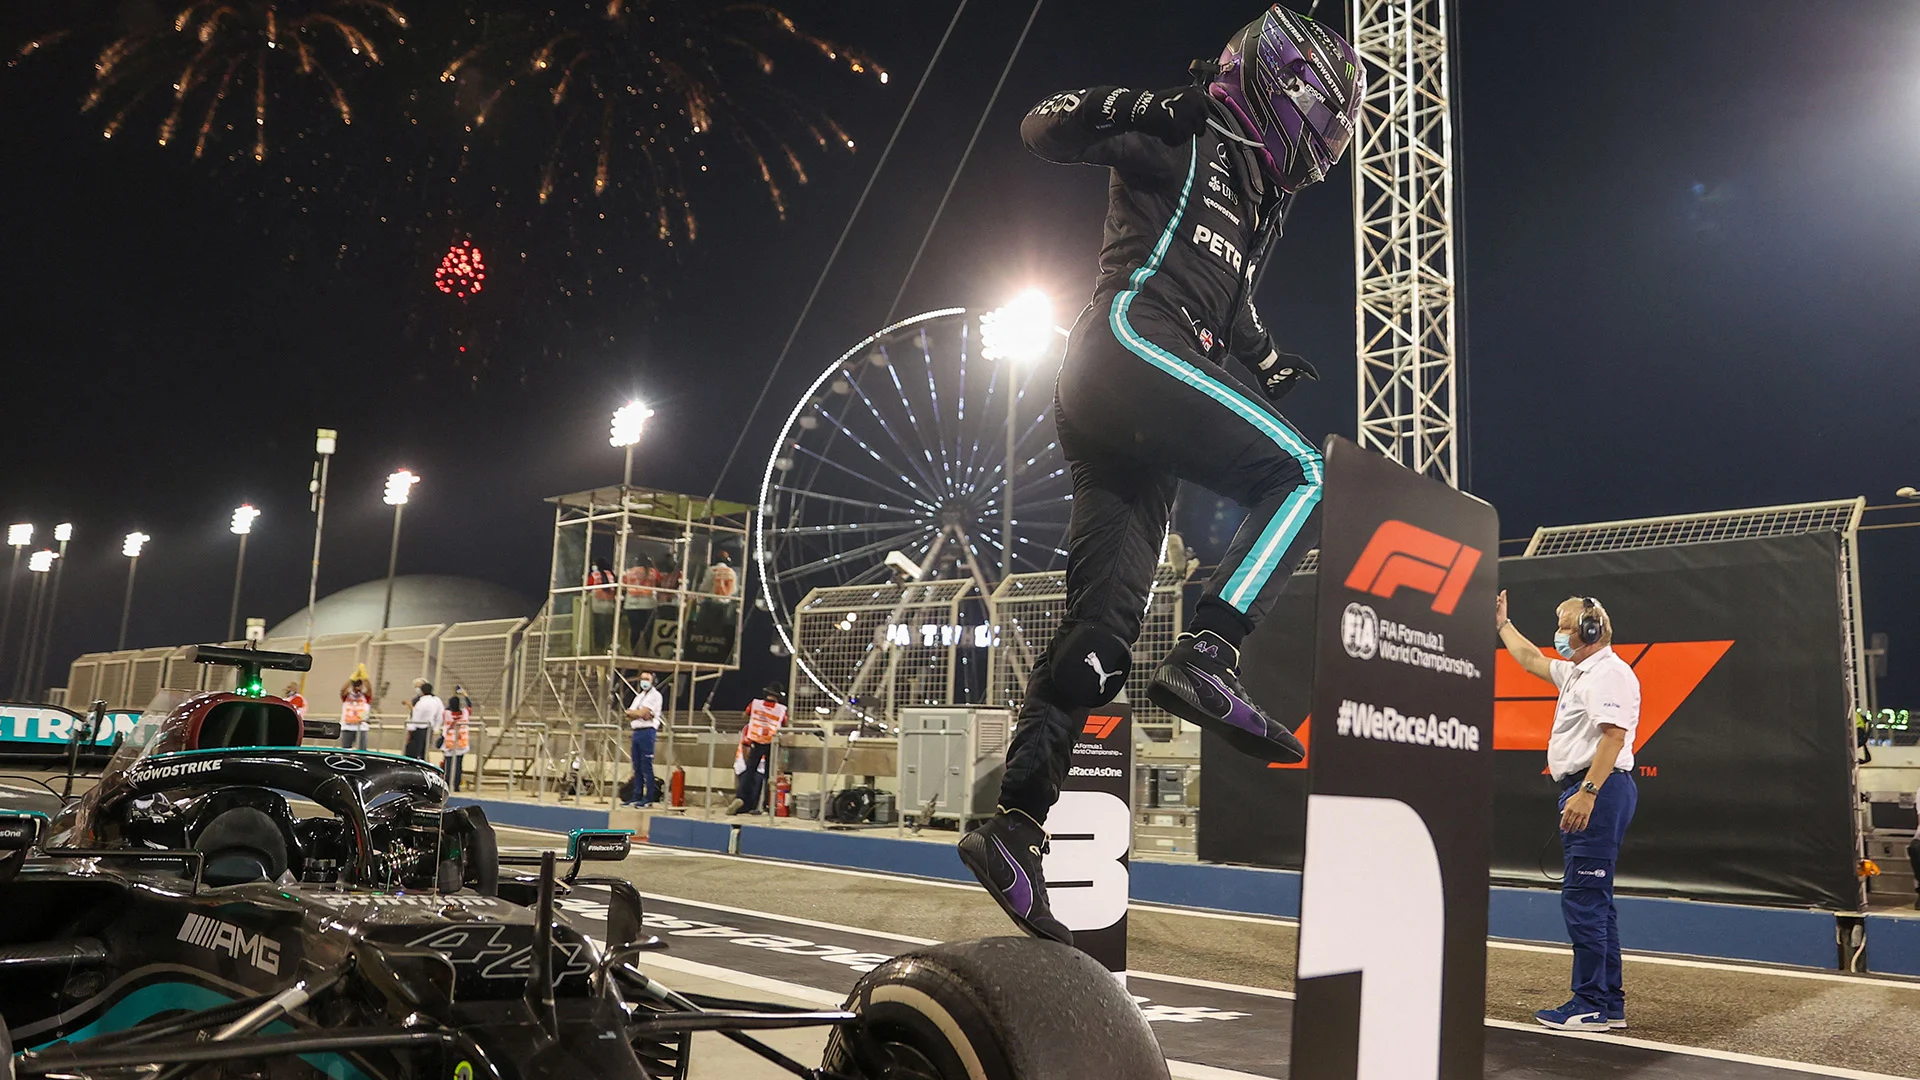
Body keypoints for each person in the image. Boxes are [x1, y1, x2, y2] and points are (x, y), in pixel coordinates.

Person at [956, 5, 1363, 945]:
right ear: (1282, 85)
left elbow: (1222, 290)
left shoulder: (1257, 197)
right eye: (1328, 122)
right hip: (1130, 346)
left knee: (1098, 635)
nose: (1328, 148)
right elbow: (1042, 126)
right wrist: (1139, 102)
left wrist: (1261, 355)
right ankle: (1213, 649)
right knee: (1304, 474)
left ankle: (1014, 824)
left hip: (1124, 396)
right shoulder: (1185, 128)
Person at [1496, 591, 1642, 1032]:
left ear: (1590, 630)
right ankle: (1607, 1003)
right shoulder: (1579, 673)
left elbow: (1613, 737)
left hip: (1597, 787)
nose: (1557, 632)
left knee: (1584, 900)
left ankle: (1590, 1003)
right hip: (1590, 788)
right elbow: (1529, 660)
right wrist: (1502, 623)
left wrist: (1589, 792)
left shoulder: (1608, 674)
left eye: (1564, 623)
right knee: (1595, 902)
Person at [729, 687, 787, 815]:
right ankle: (767, 805)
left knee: (750, 771)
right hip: (771, 741)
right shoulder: (781, 709)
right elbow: (785, 722)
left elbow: (745, 714)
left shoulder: (755, 704)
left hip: (756, 741)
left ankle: (740, 798)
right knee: (769, 775)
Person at [625, 671, 664, 807]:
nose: (644, 681)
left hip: (647, 732)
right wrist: (638, 714)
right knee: (637, 766)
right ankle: (637, 795)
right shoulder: (639, 696)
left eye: (647, 679)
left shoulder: (656, 696)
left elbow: (642, 712)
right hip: (636, 731)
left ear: (653, 680)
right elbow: (628, 713)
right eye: (642, 679)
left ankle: (649, 797)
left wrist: (637, 713)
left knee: (646, 765)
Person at [621, 553, 657, 657]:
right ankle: (648, 653)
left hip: (632, 605)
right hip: (649, 604)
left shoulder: (629, 572)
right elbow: (659, 582)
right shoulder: (652, 572)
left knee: (635, 631)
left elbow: (623, 587)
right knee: (648, 632)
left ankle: (634, 652)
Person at [442, 685, 472, 790]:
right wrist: (464, 695)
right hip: (461, 743)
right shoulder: (465, 714)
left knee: (449, 765)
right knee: (458, 765)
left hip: (449, 743)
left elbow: (447, 708)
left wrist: (454, 695)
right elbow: (469, 705)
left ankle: (447, 784)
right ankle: (456, 785)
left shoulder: (446, 714)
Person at [405, 681, 444, 760]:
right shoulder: (435, 701)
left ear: (422, 691)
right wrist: (436, 727)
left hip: (418, 729)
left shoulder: (421, 702)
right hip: (429, 728)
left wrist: (410, 729)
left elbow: (416, 717)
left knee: (414, 752)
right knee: (424, 751)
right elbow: (440, 714)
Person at [588, 557, 618, 655]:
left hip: (598, 606)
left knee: (599, 629)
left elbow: (588, 587)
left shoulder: (594, 575)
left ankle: (599, 649)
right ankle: (609, 647)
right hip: (610, 606)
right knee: (609, 629)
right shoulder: (612, 575)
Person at [339, 667, 373, 750]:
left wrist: (365, 678)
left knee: (362, 750)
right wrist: (351, 679)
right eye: (355, 685)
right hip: (347, 726)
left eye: (358, 685)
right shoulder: (347, 696)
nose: (356, 687)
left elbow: (369, 689)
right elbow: (342, 690)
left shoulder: (365, 696)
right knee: (345, 750)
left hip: (361, 727)